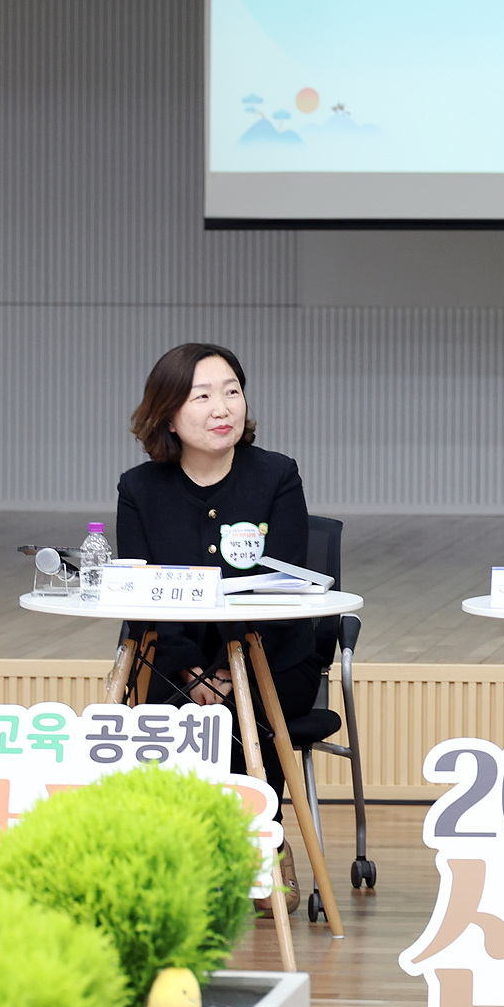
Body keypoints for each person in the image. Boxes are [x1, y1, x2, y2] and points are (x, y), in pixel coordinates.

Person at [116, 342, 315, 908]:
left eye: (232, 391)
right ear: (167, 415)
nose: (222, 407)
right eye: (201, 396)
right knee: (172, 715)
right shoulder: (139, 488)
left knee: (243, 712)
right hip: (174, 660)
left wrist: (230, 672)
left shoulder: (276, 475)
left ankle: (262, 840)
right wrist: (190, 669)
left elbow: (282, 583)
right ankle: (188, 852)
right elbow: (144, 593)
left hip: (272, 656)